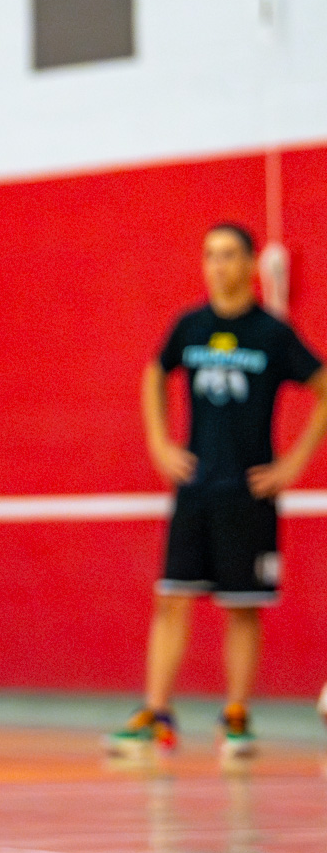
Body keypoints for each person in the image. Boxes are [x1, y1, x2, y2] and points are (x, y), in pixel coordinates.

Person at [109, 223, 327, 758]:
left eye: (228, 255)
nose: (217, 265)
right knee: (172, 599)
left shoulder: (272, 333)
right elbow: (153, 375)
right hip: (196, 490)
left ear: (252, 263)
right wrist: (160, 443)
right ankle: (157, 714)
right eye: (208, 255)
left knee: (242, 606)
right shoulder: (189, 326)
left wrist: (294, 463)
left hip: (249, 491)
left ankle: (236, 716)